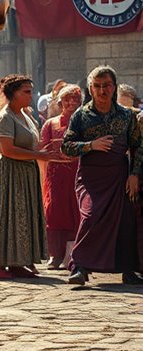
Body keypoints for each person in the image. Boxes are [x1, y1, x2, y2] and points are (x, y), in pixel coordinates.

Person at [62, 66, 143, 285]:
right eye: (97, 86)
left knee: (125, 221)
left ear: (114, 87)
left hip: (119, 175)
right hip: (91, 177)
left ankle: (127, 269)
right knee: (90, 215)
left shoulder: (127, 115)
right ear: (90, 89)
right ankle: (79, 267)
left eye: (106, 85)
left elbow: (138, 146)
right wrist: (91, 145)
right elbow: (66, 146)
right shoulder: (81, 115)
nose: (102, 90)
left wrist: (134, 174)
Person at [0, 74, 53, 279]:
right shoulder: (5, 117)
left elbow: (31, 143)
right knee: (6, 214)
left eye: (31, 91)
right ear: (13, 94)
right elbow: (7, 149)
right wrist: (39, 155)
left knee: (22, 215)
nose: (31, 95)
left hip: (25, 171)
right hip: (9, 172)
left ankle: (17, 261)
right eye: (26, 92)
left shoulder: (25, 115)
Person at [39, 84, 83, 270]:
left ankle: (72, 254)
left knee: (75, 211)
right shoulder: (51, 124)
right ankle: (55, 254)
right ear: (59, 102)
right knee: (54, 211)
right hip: (55, 174)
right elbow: (42, 147)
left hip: (77, 173)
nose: (71, 103)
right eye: (67, 99)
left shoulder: (84, 122)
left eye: (75, 99)